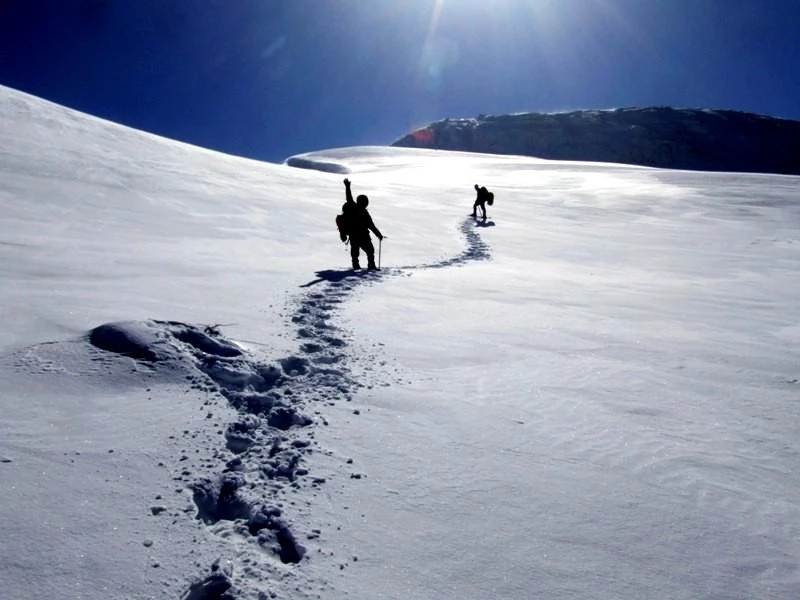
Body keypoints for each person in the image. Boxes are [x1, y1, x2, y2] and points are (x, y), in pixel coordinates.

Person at [342, 178, 384, 270]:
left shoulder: (353, 207)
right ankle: (371, 266)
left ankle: (356, 266)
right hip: (363, 236)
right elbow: (372, 226)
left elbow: (348, 197)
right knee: (369, 250)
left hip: (354, 235)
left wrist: (347, 186)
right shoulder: (364, 212)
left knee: (355, 252)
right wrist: (379, 235)